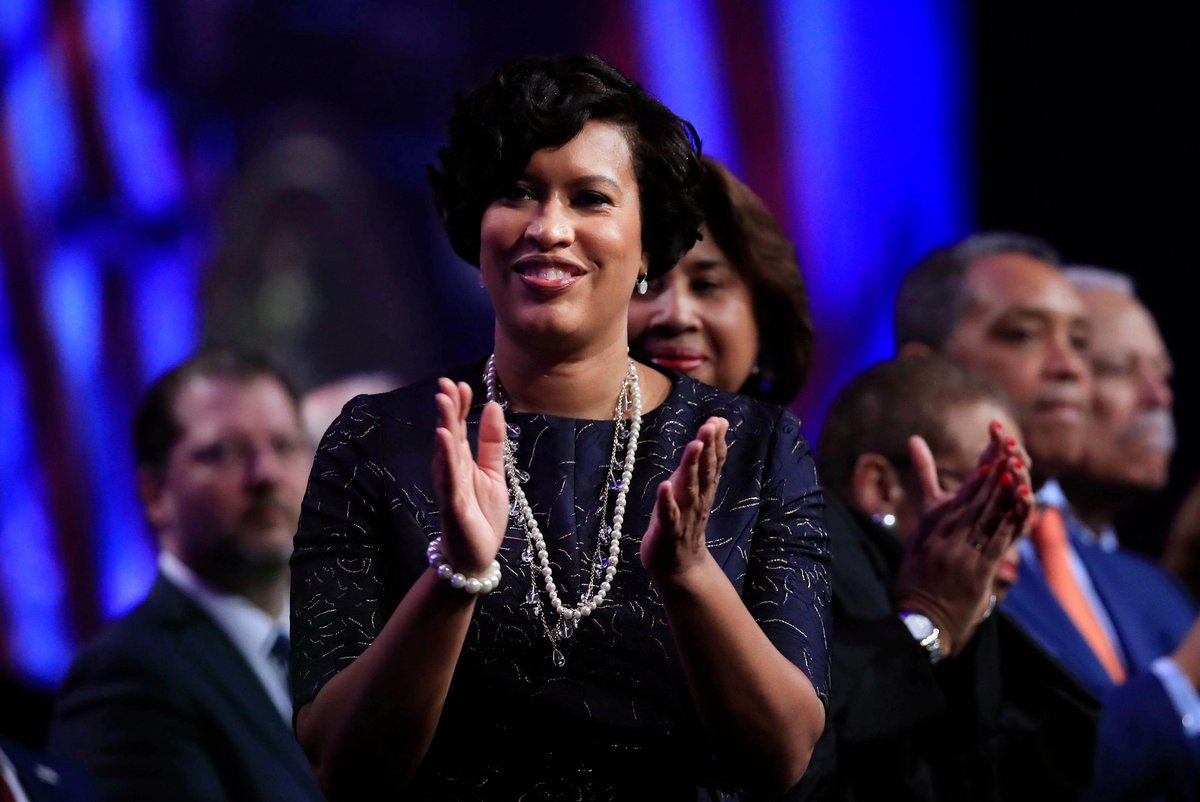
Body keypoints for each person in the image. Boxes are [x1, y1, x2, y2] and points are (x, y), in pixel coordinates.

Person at [289, 53, 830, 801]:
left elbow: (782, 759)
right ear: (474, 230)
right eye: (517, 193)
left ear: (649, 246)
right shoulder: (377, 441)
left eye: (589, 199)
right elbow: (344, 767)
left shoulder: (756, 446)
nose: (548, 228)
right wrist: (455, 579)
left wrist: (690, 576)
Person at [895, 231, 1200, 799]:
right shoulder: (900, 560)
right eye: (1024, 335)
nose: (1069, 368)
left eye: (1081, 343)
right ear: (925, 367)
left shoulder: (1148, 587)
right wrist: (1183, 679)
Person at [47, 350, 326, 802]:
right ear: (155, 494)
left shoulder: (352, 640)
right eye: (223, 452)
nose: (266, 474)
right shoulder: (124, 676)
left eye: (284, 445)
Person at [793, 354, 1054, 800]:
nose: (1017, 521)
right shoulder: (801, 567)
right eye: (985, 490)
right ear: (882, 487)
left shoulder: (989, 618)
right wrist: (929, 622)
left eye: (1019, 497)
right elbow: (799, 760)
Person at [627, 154, 813, 404]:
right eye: (644, 283)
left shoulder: (791, 442)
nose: (677, 316)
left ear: (765, 318)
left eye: (706, 285)